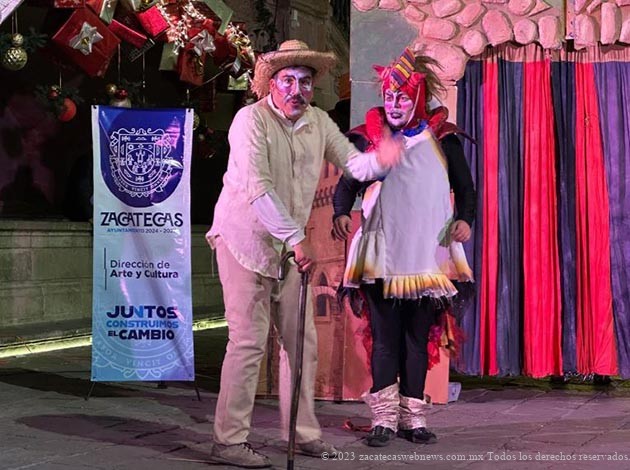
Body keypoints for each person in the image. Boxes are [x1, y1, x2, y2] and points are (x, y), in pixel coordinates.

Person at [206, 39, 403, 468]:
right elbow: (258, 188)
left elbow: (354, 165)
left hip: (290, 249)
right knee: (248, 343)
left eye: (306, 82)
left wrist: (383, 158)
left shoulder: (317, 122)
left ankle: (303, 433)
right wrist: (298, 239)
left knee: (302, 345)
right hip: (245, 241)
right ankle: (229, 441)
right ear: (272, 83)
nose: (298, 90)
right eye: (288, 81)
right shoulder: (250, 121)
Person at [331, 48, 476, 447]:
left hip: (427, 256)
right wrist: (341, 212)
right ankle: (383, 420)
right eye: (389, 96)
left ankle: (413, 418)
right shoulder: (369, 138)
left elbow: (466, 189)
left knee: (416, 339)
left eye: (403, 97)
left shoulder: (443, 139)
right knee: (385, 338)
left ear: (418, 98)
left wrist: (465, 219)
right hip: (383, 255)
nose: (394, 104)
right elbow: (348, 184)